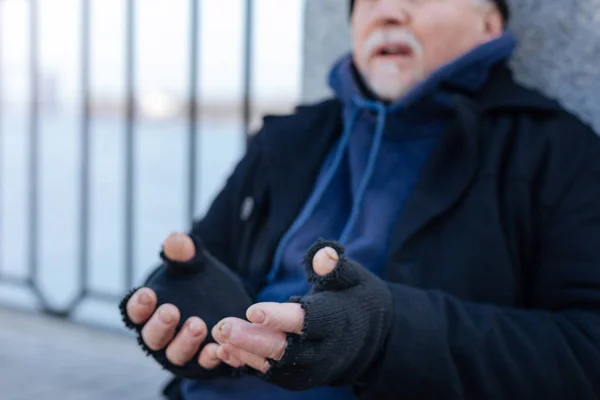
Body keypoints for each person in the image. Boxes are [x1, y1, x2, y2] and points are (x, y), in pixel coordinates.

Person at [120, 0, 600, 399]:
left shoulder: (556, 152)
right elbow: (198, 262)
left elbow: (587, 349)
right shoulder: (289, 138)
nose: (387, 11)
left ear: (489, 24)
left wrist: (388, 336)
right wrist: (182, 308)